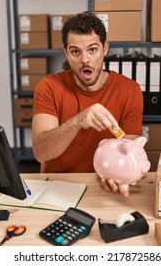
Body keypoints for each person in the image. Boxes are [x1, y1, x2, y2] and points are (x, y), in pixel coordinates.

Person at [32, 11, 143, 197]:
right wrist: (78, 121)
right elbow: (41, 153)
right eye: (76, 52)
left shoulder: (130, 90)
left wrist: (120, 177)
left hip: (104, 186)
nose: (85, 60)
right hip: (57, 186)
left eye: (92, 50)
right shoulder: (48, 87)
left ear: (105, 48)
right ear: (66, 52)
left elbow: (128, 153)